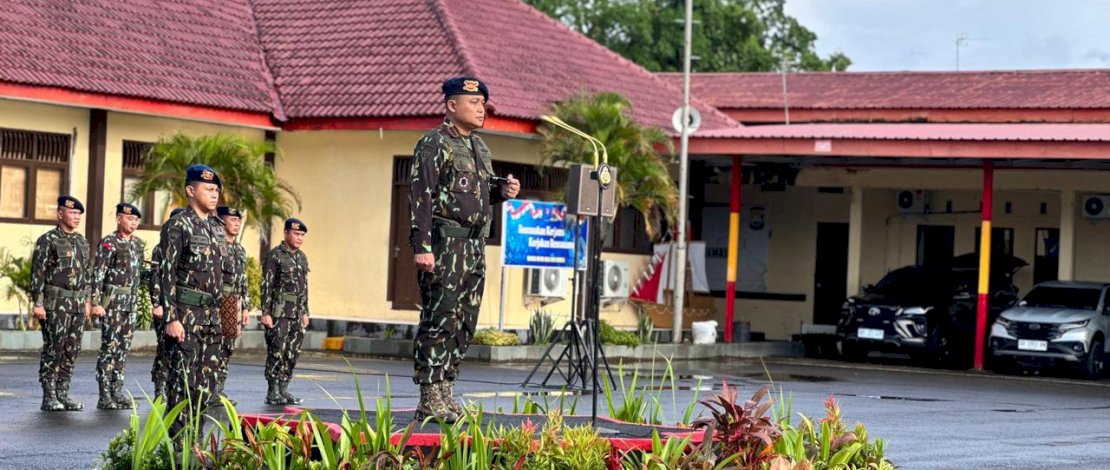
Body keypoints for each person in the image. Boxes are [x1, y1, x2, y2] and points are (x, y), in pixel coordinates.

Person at [408, 76, 520, 421]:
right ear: (451, 105)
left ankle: (446, 389)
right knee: (440, 318)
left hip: (474, 244)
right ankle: (430, 393)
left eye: (483, 103)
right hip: (445, 244)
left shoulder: (480, 148)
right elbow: (420, 198)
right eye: (473, 103)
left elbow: (477, 195)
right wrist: (422, 246)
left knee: (463, 321)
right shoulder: (434, 144)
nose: (480, 108)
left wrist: (502, 193)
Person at [161, 164, 227, 435]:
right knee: (182, 383)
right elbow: (166, 273)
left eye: (216, 190)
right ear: (190, 190)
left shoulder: (217, 228)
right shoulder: (178, 225)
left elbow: (223, 276)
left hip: (212, 319)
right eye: (208, 189)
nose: (214, 195)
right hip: (186, 316)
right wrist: (171, 318)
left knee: (205, 385)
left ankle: (195, 443)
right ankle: (176, 446)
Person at [32, 195, 93, 411]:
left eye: (79, 214)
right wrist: (38, 303)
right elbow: (38, 274)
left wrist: (88, 301)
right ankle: (49, 396)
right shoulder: (47, 241)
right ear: (60, 214)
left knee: (71, 350)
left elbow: (87, 275)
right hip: (56, 305)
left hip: (77, 306)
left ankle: (63, 393)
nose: (76, 217)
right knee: (54, 348)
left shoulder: (81, 242)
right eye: (72, 213)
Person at [91, 203, 145, 410]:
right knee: (109, 348)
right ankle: (104, 394)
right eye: (129, 218)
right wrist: (96, 303)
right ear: (118, 219)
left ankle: (117, 390)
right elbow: (98, 274)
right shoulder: (109, 243)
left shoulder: (137, 245)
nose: (133, 223)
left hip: (130, 305)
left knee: (123, 349)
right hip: (112, 304)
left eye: (136, 220)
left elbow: (138, 274)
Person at [260, 218, 310, 405]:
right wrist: (266, 312)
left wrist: (305, 311)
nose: (299, 238)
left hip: (297, 312)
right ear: (286, 233)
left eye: (302, 235)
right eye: (296, 234)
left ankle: (283, 388)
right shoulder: (275, 256)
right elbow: (267, 285)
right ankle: (272, 390)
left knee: (292, 352)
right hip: (279, 312)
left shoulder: (301, 257)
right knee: (276, 350)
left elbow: (305, 287)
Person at [214, 206, 250, 405]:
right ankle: (208, 390)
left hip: (234, 303)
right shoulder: (216, 246)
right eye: (232, 220)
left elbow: (243, 280)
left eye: (238, 221)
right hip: (218, 301)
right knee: (213, 347)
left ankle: (219, 389)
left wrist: (245, 307)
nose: (236, 224)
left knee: (227, 347)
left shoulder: (239, 249)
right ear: (221, 221)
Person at [149, 207, 186, 400]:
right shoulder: (161, 249)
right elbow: (156, 277)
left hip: (183, 306)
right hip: (165, 306)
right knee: (165, 348)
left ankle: (176, 388)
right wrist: (158, 303)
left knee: (180, 352)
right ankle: (160, 389)